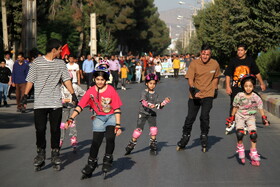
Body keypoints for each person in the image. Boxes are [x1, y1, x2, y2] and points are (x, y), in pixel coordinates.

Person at [22, 38, 78, 171]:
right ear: (54, 50)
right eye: (59, 50)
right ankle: (40, 153)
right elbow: (30, 80)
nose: (61, 52)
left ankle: (55, 153)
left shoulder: (60, 64)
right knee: (40, 130)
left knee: (55, 130)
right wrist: (25, 95)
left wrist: (73, 94)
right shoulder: (37, 63)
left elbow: (66, 79)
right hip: (40, 102)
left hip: (55, 102)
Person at [64, 66, 123, 179]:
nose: (100, 82)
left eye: (102, 79)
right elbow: (80, 106)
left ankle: (107, 159)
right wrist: (71, 118)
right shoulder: (90, 91)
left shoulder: (111, 90)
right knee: (96, 142)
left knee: (110, 138)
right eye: (97, 79)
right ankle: (91, 163)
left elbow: (116, 108)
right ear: (94, 79)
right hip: (99, 118)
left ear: (106, 80)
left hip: (111, 117)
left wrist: (118, 125)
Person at [176, 44, 220, 152]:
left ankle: (204, 136)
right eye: (203, 54)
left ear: (210, 55)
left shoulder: (215, 64)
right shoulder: (194, 63)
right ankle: (185, 138)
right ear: (200, 53)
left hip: (208, 94)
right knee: (190, 118)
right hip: (195, 95)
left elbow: (216, 77)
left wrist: (215, 89)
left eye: (207, 54)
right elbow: (190, 79)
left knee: (204, 116)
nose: (205, 56)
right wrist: (194, 89)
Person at [225, 74, 270, 166]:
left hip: (251, 117)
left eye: (250, 86)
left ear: (253, 86)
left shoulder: (256, 96)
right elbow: (235, 107)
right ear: (243, 86)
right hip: (240, 116)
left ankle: (253, 152)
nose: (248, 88)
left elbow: (260, 108)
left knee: (253, 134)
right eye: (246, 86)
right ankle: (240, 147)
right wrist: (231, 119)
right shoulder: (239, 95)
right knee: (240, 133)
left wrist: (264, 118)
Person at [224, 44, 266, 134]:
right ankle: (231, 122)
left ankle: (246, 123)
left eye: (241, 50)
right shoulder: (233, 61)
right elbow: (228, 75)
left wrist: (262, 83)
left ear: (245, 51)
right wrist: (227, 86)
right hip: (235, 87)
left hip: (247, 88)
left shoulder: (250, 61)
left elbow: (257, 72)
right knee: (234, 105)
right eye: (238, 50)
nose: (239, 52)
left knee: (247, 105)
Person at [125, 73, 171, 155]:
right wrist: (149, 104)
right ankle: (132, 143)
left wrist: (164, 102)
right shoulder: (144, 92)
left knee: (154, 130)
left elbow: (159, 106)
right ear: (146, 83)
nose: (152, 85)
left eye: (154, 83)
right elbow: (143, 101)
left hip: (152, 114)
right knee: (138, 131)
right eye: (150, 83)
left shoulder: (156, 94)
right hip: (143, 113)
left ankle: (153, 143)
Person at [59, 75, 85, 152]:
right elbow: (56, 99)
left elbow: (84, 93)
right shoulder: (60, 88)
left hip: (73, 108)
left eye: (69, 80)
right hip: (64, 108)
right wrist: (66, 100)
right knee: (63, 124)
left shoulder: (75, 87)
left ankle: (73, 139)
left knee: (72, 123)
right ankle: (60, 140)